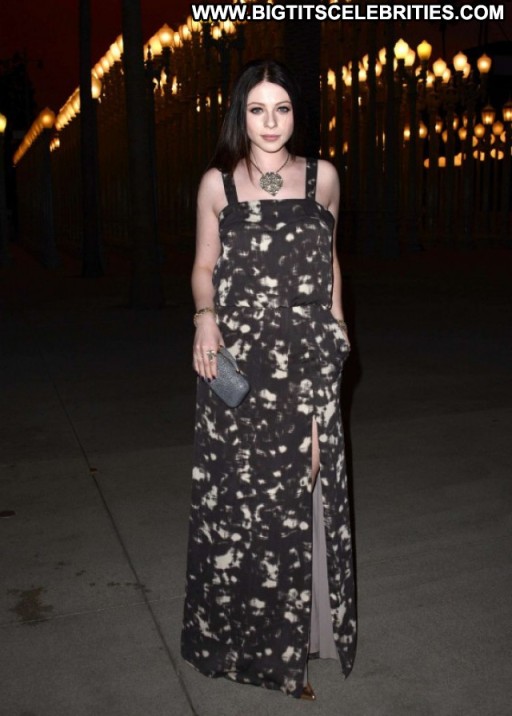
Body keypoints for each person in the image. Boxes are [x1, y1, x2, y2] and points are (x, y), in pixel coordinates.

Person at [181, 59, 356, 701]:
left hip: (307, 356)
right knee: (240, 503)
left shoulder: (323, 178)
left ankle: (297, 640)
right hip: (240, 362)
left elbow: (330, 262)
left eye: (281, 108)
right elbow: (204, 266)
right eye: (257, 109)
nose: (271, 122)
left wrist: (340, 336)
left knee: (302, 486)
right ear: (241, 115)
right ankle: (246, 645)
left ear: (294, 113)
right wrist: (205, 318)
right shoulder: (218, 185)